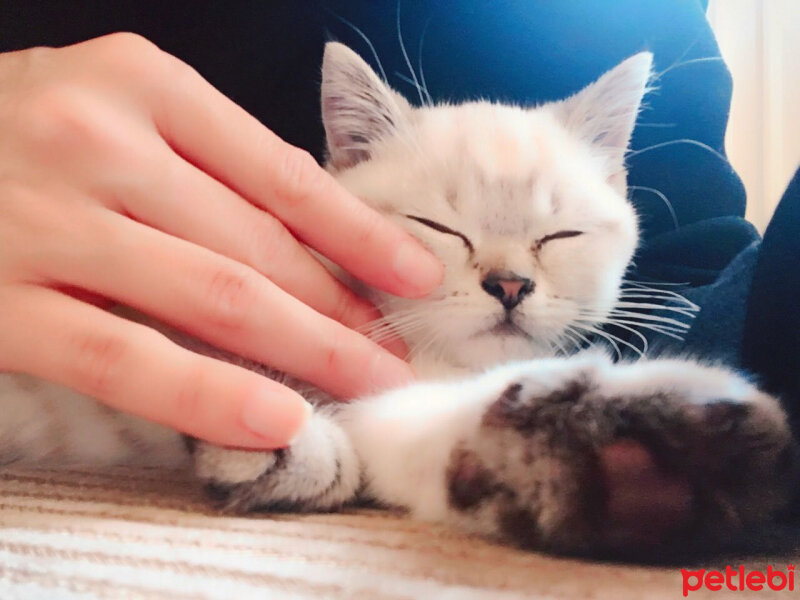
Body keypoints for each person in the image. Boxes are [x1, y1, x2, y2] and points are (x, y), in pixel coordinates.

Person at [1, 1, 798, 480]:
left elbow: (704, 273)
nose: (508, 277)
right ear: (341, 159)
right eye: (444, 233)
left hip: (699, 319)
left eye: (556, 236)